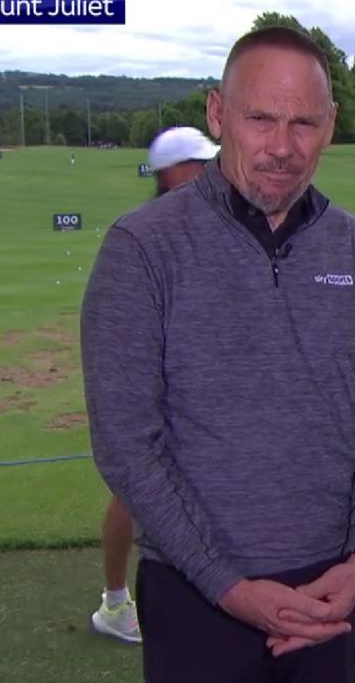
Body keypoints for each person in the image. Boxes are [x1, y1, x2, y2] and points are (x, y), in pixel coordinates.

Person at [80, 25, 355, 683]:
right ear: (217, 114)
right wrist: (228, 585)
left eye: (304, 123)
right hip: (197, 596)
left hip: (330, 593)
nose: (283, 147)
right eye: (261, 118)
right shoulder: (143, 248)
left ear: (331, 125)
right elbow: (126, 441)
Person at [87, 125, 220, 645]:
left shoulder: (210, 221)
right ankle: (116, 602)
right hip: (157, 382)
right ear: (171, 173)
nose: (211, 172)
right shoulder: (142, 235)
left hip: (200, 381)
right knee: (136, 490)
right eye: (200, 164)